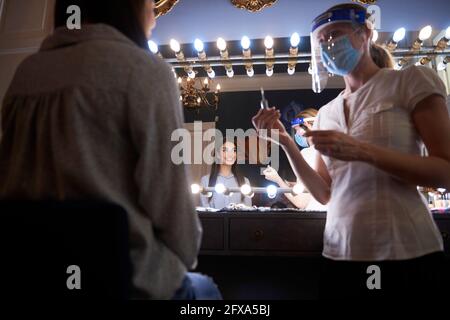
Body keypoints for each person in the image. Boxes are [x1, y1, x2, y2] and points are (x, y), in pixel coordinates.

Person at [0, 0, 221, 300]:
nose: (154, 14)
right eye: (148, 2)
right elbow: (178, 227)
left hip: (31, 276)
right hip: (126, 281)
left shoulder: (25, 74)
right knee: (206, 289)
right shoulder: (146, 72)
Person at [252, 3, 450, 298]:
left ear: (365, 34)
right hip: (340, 250)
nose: (328, 44)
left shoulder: (409, 82)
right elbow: (324, 194)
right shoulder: (326, 113)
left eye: (335, 34)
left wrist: (363, 151)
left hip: (404, 248)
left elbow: (445, 172)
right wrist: (286, 142)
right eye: (321, 40)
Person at [263, 109, 327, 211]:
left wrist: (277, 179)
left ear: (309, 126)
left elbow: (301, 202)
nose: (296, 134)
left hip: (316, 215)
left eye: (297, 130)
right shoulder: (331, 151)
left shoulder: (307, 153)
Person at [200, 139, 252, 209]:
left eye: (234, 150)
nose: (230, 154)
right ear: (218, 155)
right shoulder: (206, 180)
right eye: (225, 150)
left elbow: (248, 210)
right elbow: (205, 209)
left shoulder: (245, 181)